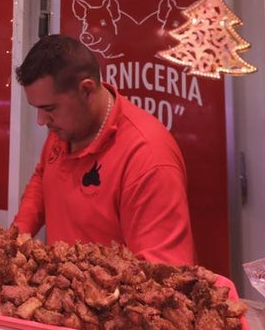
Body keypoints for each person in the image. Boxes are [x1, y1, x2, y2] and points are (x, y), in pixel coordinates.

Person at [12, 34, 196, 265]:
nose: (41, 120)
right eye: (37, 108)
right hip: (62, 293)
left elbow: (163, 274)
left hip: (110, 298)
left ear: (86, 91)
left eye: (49, 108)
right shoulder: (66, 127)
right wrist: (17, 235)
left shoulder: (148, 158)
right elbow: (44, 176)